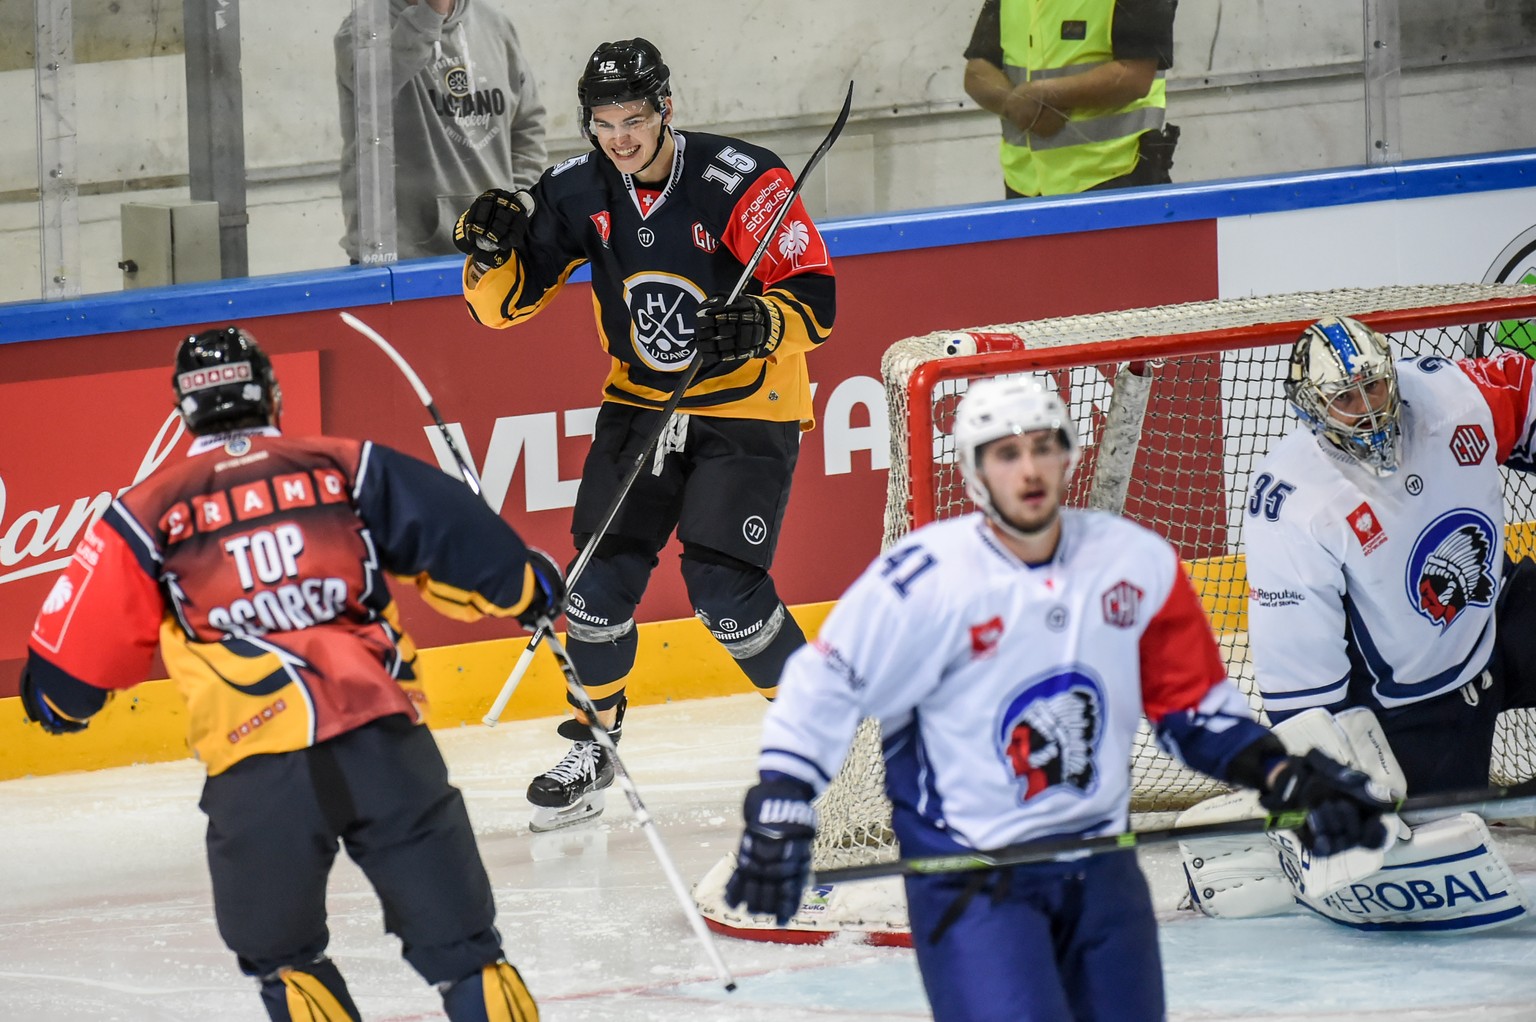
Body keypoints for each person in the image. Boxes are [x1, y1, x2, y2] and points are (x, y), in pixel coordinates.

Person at [724, 376, 1389, 1021]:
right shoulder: (922, 580)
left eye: (1044, 446)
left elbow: (1193, 707)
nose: (1030, 468)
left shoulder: (1134, 562)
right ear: (974, 471)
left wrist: (1283, 776)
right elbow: (822, 687)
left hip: (1101, 867)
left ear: (1070, 453)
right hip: (974, 880)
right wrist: (783, 793)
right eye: (1007, 453)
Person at [19, 326, 556, 1021]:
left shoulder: (146, 511)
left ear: (186, 411)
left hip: (256, 771)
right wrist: (530, 589)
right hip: (383, 744)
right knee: (467, 955)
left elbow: (65, 688)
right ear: (270, 392)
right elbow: (494, 563)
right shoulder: (346, 465)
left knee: (288, 965)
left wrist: (52, 704)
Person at [454, 38, 836, 832]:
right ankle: (596, 741)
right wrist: (488, 252)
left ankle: (828, 746)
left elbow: (817, 299)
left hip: (746, 402)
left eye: (635, 119)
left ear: (668, 108)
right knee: (592, 587)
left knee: (725, 590)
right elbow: (500, 308)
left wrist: (760, 321)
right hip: (639, 400)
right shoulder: (576, 188)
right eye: (604, 123)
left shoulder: (742, 179)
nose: (621, 138)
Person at [1172, 315, 1536, 934]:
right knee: (1401, 856)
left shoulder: (1455, 394)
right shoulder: (1289, 503)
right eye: (1345, 398)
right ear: (1312, 408)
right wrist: (1319, 783)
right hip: (1415, 707)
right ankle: (1270, 830)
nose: (1368, 411)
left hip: (1497, 623)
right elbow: (1301, 682)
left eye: (1374, 388)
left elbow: (1525, 396)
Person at [335, 0, 546, 263]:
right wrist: (431, 13)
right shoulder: (364, 30)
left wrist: (513, 205)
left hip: (492, 249)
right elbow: (374, 88)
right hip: (400, 259)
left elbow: (527, 125)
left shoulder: (495, 26)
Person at [962, 0, 1179, 199]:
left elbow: (1135, 77)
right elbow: (977, 70)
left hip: (1115, 178)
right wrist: (1016, 105)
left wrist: (1042, 95)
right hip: (1024, 184)